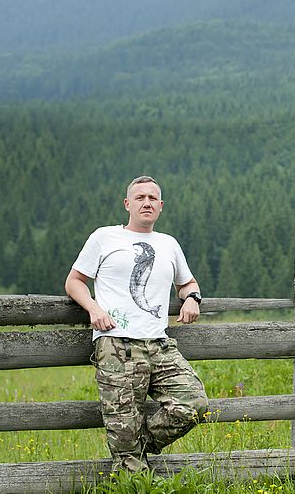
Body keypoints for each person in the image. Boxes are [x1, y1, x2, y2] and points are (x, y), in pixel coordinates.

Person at [65, 175, 209, 473]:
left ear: (161, 206)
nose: (147, 202)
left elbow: (187, 282)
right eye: (140, 197)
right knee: (125, 439)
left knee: (194, 404)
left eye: (152, 198)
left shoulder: (168, 244)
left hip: (159, 344)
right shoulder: (104, 237)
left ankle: (132, 446)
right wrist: (92, 308)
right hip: (116, 345)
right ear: (127, 204)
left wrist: (192, 297)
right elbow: (75, 281)